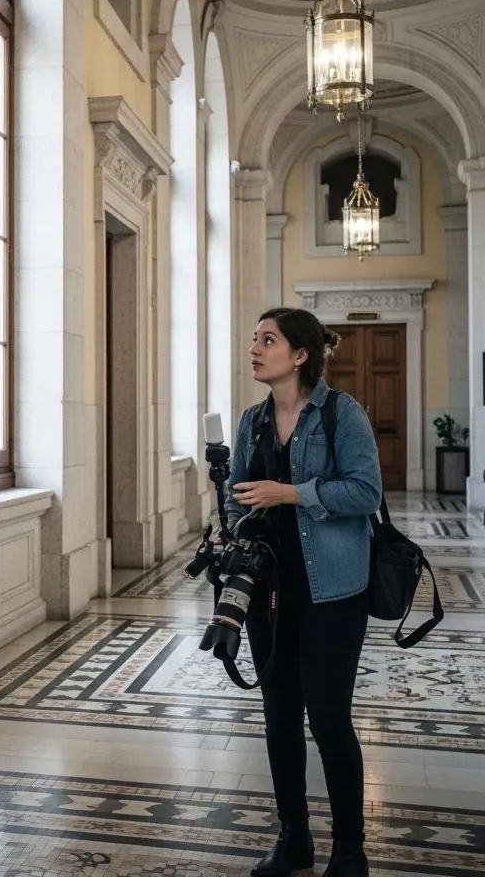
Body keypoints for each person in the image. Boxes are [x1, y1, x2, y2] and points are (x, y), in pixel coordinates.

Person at [225, 307, 382, 877]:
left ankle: (349, 850)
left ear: (299, 355)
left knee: (330, 719)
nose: (254, 348)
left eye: (267, 340)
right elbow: (236, 493)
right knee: (279, 715)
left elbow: (365, 491)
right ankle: (294, 838)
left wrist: (290, 493)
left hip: (333, 589)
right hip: (270, 592)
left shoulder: (342, 414)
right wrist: (238, 541)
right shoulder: (252, 420)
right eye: (254, 338)